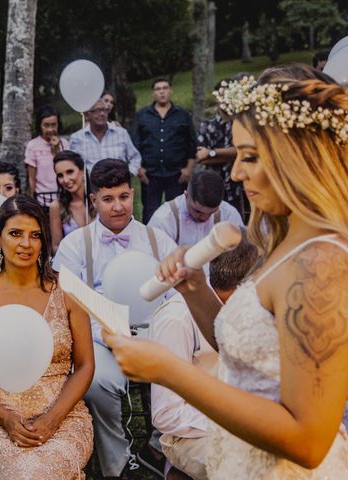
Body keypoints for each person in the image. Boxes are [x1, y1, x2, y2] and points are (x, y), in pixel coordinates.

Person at [104, 66, 348, 478]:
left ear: (298, 153)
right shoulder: (283, 236)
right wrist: (195, 289)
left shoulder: (319, 263)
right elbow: (257, 352)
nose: (235, 173)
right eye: (237, 156)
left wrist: (171, 372)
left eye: (250, 157)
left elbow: (308, 440)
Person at [53, 159, 176, 479]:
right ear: (93, 200)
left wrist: (158, 332)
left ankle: (162, 447)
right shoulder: (75, 244)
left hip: (155, 333)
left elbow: (177, 296)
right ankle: (117, 463)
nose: (118, 206)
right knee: (98, 381)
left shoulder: (157, 240)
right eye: (108, 199)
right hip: (99, 338)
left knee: (182, 368)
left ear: (132, 194)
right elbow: (67, 303)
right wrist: (107, 333)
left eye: (123, 196)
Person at [0, 194, 95, 479]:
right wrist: (5, 418)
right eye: (16, 233)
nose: (26, 244)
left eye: (35, 235)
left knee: (41, 472)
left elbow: (85, 366)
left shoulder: (68, 291)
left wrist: (52, 419)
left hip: (63, 414)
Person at [150, 233, 258, 480]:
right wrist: (234, 422)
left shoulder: (253, 310)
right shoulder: (176, 319)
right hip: (192, 435)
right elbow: (166, 415)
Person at [133, 78, 197, 224]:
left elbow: (191, 142)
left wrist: (188, 168)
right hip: (150, 174)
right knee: (150, 212)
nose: (162, 91)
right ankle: (149, 243)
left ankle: (177, 243)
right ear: (153, 93)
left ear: (170, 91)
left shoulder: (183, 115)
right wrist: (140, 169)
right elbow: (135, 144)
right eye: (158, 89)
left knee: (178, 213)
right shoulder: (142, 115)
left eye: (165, 88)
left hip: (177, 174)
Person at [196, 79, 250, 222]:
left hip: (238, 185)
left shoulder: (242, 123)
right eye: (222, 95)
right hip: (214, 183)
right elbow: (201, 157)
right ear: (217, 97)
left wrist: (212, 152)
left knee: (242, 222)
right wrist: (230, 154)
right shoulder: (207, 125)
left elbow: (242, 152)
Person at [148, 170, 243, 246]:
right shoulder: (163, 220)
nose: (204, 218)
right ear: (186, 195)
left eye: (211, 213)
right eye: (198, 211)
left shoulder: (229, 215)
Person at [70, 98, 141, 176]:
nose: (102, 114)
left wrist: (128, 174)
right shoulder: (77, 138)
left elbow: (135, 158)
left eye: (105, 110)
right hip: (92, 186)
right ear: (87, 115)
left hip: (119, 184)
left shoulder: (121, 133)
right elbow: (72, 165)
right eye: (97, 111)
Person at [49, 150, 95, 252]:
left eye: (70, 172)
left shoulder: (99, 199)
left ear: (82, 171)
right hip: (73, 264)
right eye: (60, 175)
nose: (65, 180)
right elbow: (56, 246)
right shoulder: (56, 206)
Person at [24, 105, 69, 208]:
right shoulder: (33, 145)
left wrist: (56, 150)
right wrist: (33, 201)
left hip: (63, 197)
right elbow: (32, 178)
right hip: (42, 199)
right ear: (40, 125)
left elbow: (66, 169)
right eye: (46, 125)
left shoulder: (64, 144)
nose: (50, 129)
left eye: (53, 125)